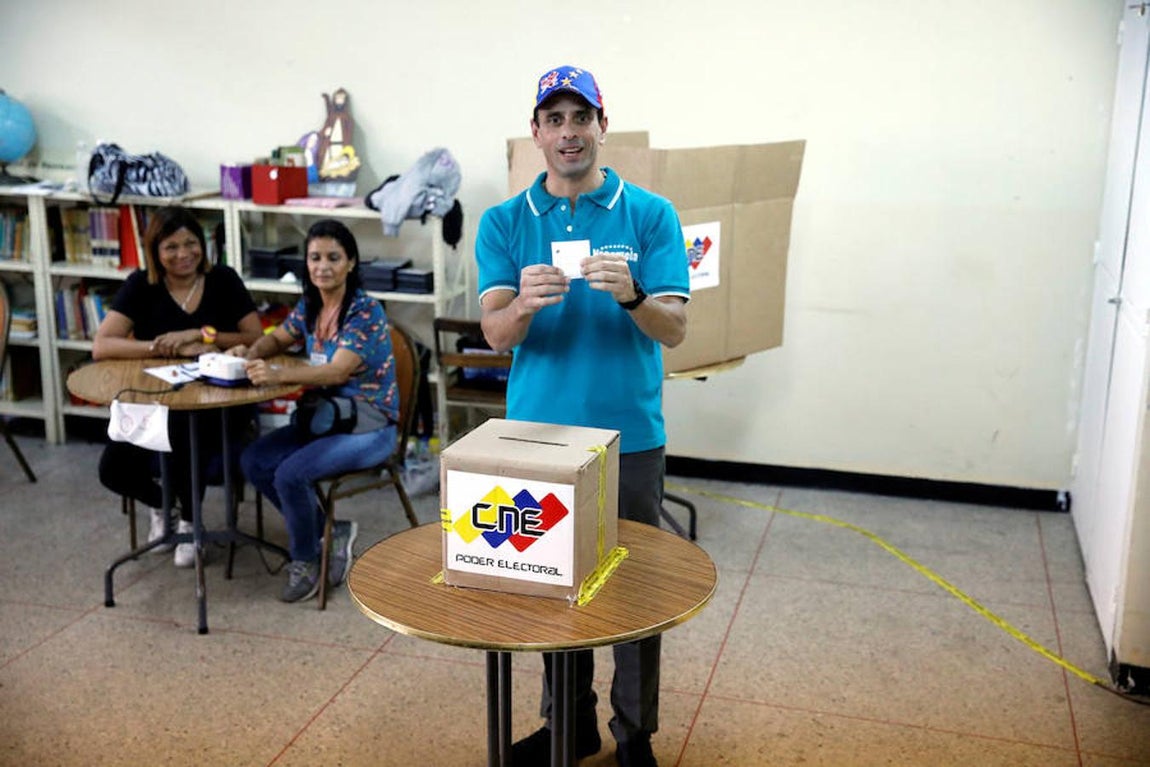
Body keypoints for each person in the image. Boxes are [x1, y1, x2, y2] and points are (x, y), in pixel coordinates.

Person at [475, 65, 689, 767]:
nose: (569, 132)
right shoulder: (505, 222)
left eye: (581, 117)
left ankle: (635, 734)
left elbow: (674, 330)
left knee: (635, 591)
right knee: (550, 589)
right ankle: (569, 724)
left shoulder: (650, 214)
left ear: (602, 125)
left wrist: (634, 297)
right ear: (535, 134)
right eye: (554, 120)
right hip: (538, 440)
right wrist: (522, 305)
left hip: (629, 437)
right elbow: (494, 335)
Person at [231, 219, 399, 603]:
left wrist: (277, 374)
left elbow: (338, 370)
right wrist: (250, 352)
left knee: (290, 474)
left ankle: (305, 559)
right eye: (315, 258)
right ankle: (330, 529)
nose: (323, 267)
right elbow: (278, 338)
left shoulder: (365, 311)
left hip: (371, 425)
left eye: (333, 258)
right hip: (326, 417)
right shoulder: (310, 305)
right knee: (255, 460)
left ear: (351, 263)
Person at [93, 206, 264, 567]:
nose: (183, 254)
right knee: (113, 468)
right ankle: (164, 505)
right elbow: (102, 345)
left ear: (203, 245)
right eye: (171, 246)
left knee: (187, 433)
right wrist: (160, 347)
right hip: (155, 400)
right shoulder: (142, 285)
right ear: (155, 251)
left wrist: (200, 335)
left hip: (219, 401)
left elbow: (255, 336)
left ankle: (190, 520)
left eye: (191, 243)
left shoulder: (223, 279)